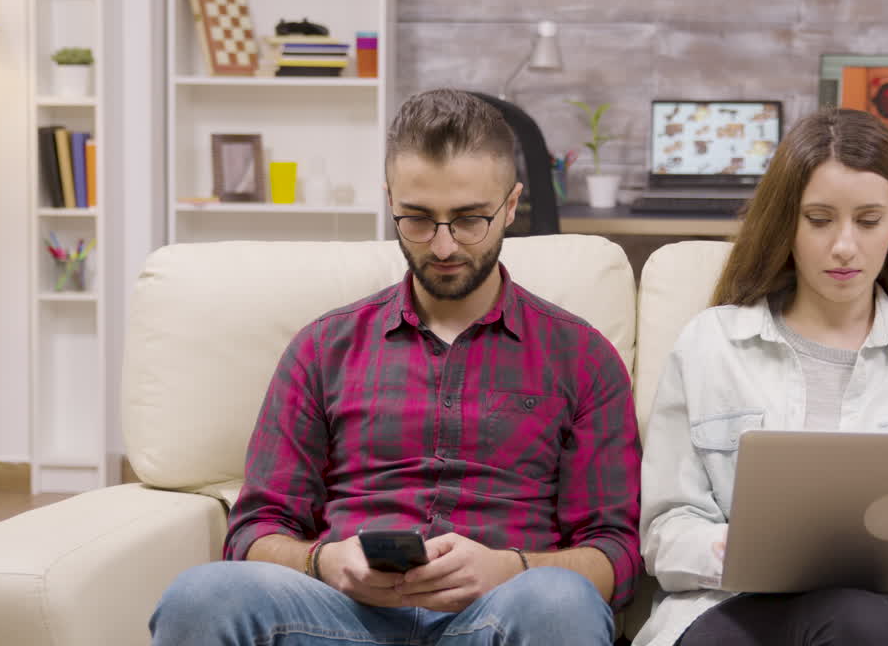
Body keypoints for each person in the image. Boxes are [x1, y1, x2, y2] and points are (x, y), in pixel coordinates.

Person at [151, 89, 642, 646]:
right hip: (338, 618)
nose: (443, 246)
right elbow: (253, 533)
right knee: (201, 595)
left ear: (510, 206)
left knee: (559, 601)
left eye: (469, 220)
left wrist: (510, 569)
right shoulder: (323, 348)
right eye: (417, 219)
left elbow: (618, 555)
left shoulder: (580, 356)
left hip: (499, 615)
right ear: (390, 201)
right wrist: (325, 562)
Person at [634, 108, 888, 646]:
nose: (844, 246)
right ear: (786, 223)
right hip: (741, 605)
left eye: (869, 221)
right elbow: (663, 533)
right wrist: (742, 548)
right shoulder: (712, 342)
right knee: (854, 619)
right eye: (819, 220)